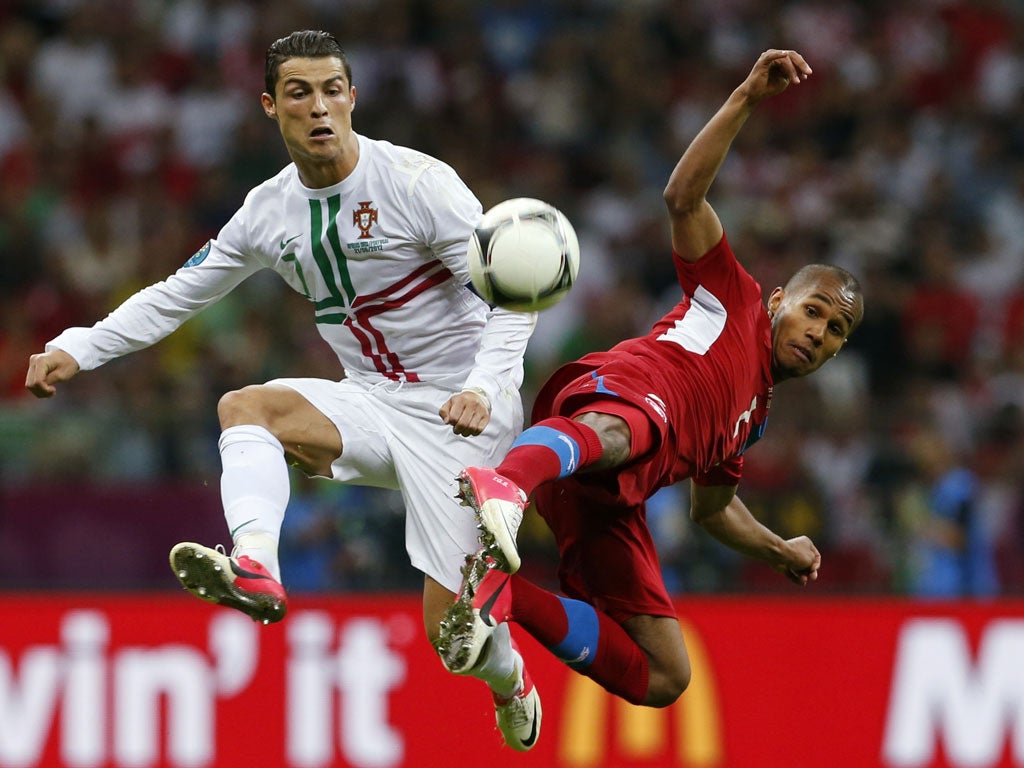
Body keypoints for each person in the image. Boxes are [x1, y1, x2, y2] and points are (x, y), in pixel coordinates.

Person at [25, 30, 542, 751]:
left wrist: (486, 387)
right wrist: (76, 346)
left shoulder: (419, 183)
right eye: (299, 93)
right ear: (271, 106)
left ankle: (510, 679)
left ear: (353, 97)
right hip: (369, 400)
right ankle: (257, 568)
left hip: (463, 414)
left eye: (333, 89)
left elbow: (516, 292)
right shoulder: (267, 212)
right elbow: (176, 295)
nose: (320, 107)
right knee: (246, 408)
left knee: (451, 641)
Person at [436, 49, 865, 714]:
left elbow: (712, 509)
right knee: (631, 428)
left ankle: (502, 593)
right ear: (782, 299)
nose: (818, 333)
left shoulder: (753, 417)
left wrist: (778, 550)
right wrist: (747, 97)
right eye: (814, 311)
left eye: (835, 332)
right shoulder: (737, 296)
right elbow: (682, 197)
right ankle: (506, 484)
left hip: (608, 494)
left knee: (666, 676)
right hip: (613, 402)